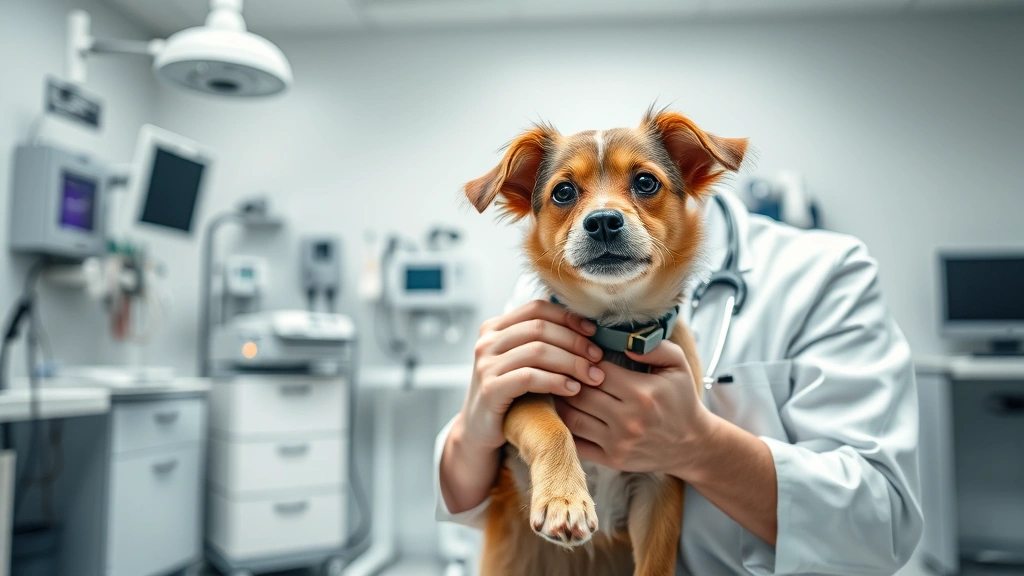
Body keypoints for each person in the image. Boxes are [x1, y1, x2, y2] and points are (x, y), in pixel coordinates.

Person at [434, 189, 923, 575]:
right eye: (566, 194)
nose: (603, 214)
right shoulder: (559, 280)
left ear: (694, 170)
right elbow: (470, 495)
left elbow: (883, 526)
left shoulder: (823, 272)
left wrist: (698, 447)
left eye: (644, 183)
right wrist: (476, 423)